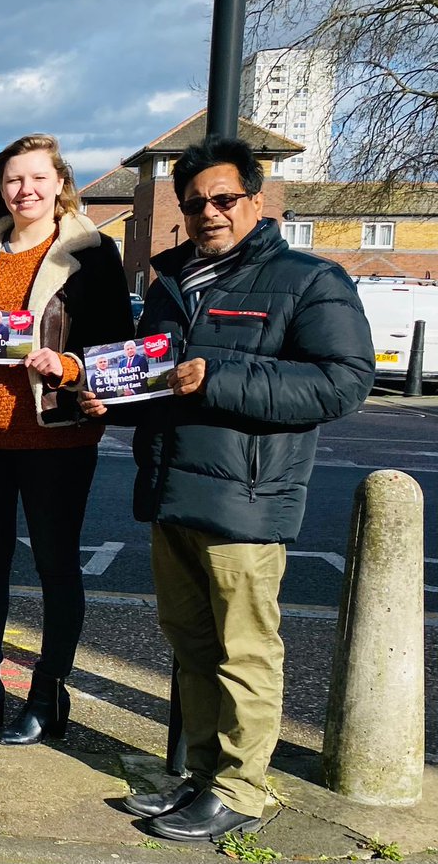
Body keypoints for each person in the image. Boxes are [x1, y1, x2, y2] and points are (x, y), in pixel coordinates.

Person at [81, 136, 374, 841]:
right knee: (190, 643)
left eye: (223, 198)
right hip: (171, 490)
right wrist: (109, 399)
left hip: (247, 498)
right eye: (195, 203)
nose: (209, 212)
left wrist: (218, 375)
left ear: (255, 199)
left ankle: (242, 788)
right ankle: (205, 776)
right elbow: (156, 382)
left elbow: (344, 381)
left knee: (244, 650)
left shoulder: (310, 279)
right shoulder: (170, 282)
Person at [0, 133, 132, 746]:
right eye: (14, 180)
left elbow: (117, 342)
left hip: (56, 433)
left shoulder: (92, 252)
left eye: (38, 178)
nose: (26, 190)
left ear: (60, 183)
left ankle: (47, 694)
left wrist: (69, 367)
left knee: (54, 566)